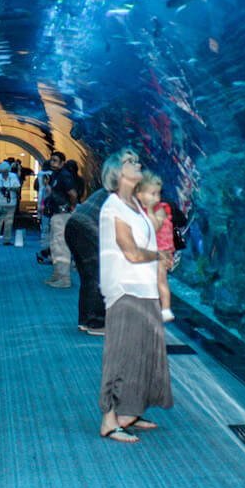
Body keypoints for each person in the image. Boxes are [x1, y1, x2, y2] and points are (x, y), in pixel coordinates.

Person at [97, 158, 174, 443]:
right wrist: (159, 257)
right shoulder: (113, 207)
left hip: (145, 289)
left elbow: (150, 239)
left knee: (143, 354)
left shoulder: (138, 206)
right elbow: (130, 252)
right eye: (131, 161)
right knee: (121, 356)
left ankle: (130, 411)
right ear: (118, 174)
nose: (137, 162)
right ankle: (109, 419)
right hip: (125, 291)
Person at [66, 149, 134, 334]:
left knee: (89, 275)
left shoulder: (108, 192)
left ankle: (86, 320)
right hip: (87, 227)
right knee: (99, 274)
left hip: (75, 224)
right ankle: (96, 322)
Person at [135, 172, 176, 322]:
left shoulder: (160, 208)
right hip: (147, 251)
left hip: (161, 251)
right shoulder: (137, 209)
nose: (156, 198)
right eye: (152, 194)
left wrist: (150, 209)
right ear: (139, 194)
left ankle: (166, 309)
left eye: (158, 194)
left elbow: (153, 227)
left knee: (160, 279)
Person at [44, 157, 80, 288]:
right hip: (55, 213)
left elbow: (73, 193)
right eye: (51, 160)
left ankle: (64, 278)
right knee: (54, 245)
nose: (52, 162)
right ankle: (57, 274)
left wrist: (72, 206)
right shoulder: (55, 175)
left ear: (62, 162)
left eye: (55, 160)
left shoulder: (64, 176)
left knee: (61, 245)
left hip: (62, 213)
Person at [0, 159, 21, 246]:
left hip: (11, 203)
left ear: (8, 170)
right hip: (0, 203)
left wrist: (10, 188)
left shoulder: (13, 176)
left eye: (6, 172)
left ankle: (7, 240)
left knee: (9, 222)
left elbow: (18, 188)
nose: (4, 173)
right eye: (3, 172)